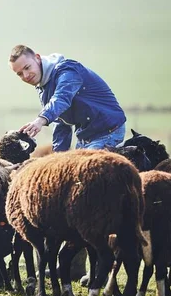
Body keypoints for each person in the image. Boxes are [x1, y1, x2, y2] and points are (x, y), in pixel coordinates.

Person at [9, 44, 126, 282]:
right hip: (87, 136)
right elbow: (62, 124)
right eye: (19, 74)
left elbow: (61, 100)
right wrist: (56, 162)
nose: (26, 75)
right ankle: (75, 267)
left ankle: (102, 266)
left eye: (27, 68)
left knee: (85, 190)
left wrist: (41, 120)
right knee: (70, 187)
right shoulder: (43, 88)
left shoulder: (67, 71)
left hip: (107, 131)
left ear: (38, 59)